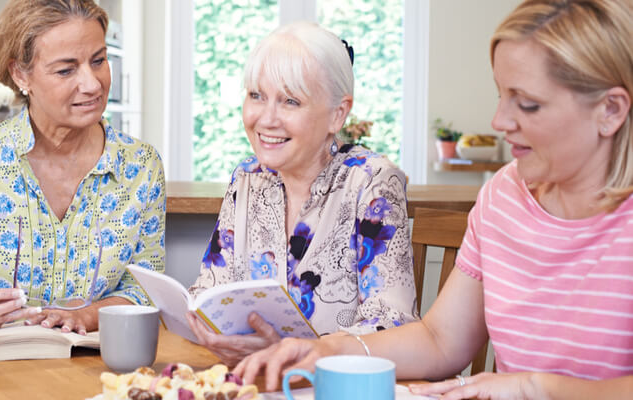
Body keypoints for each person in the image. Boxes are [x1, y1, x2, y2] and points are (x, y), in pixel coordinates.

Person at [235, 0, 633, 398]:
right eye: (501, 95)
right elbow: (440, 339)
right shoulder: (502, 198)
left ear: (610, 110)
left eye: (528, 104)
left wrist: (536, 388)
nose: (499, 121)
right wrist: (329, 349)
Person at [0, 0, 166, 334]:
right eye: (66, 70)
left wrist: (85, 316)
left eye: (98, 61)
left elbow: (144, 288)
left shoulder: (140, 166)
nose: (93, 84)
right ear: (20, 74)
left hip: (99, 373)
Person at [186, 22, 418, 366]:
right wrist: (204, 324)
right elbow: (209, 291)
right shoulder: (247, 178)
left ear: (337, 114)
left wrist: (291, 352)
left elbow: (391, 321)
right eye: (256, 96)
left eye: (290, 101)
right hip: (255, 382)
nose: (266, 119)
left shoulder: (372, 182)